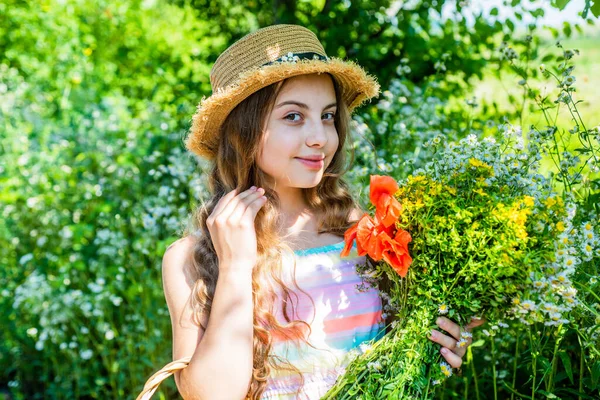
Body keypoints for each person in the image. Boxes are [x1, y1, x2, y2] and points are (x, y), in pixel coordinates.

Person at [160, 24, 484, 400]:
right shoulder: (191, 259)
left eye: (328, 116)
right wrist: (234, 266)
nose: (320, 137)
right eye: (293, 117)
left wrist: (441, 347)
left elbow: (405, 356)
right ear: (242, 132)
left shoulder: (364, 233)